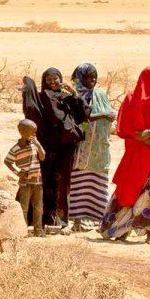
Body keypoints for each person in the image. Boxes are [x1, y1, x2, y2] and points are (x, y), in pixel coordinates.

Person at [102, 66, 150, 244]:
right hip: (137, 154)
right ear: (146, 80)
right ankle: (121, 229)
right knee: (130, 189)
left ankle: (149, 230)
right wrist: (142, 138)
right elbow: (123, 127)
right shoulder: (131, 99)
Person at [22, 68, 88, 230]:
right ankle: (38, 219)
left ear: (61, 78)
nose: (53, 82)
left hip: (65, 148)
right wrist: (26, 91)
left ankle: (59, 219)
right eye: (49, 79)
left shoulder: (67, 98)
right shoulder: (42, 97)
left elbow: (82, 115)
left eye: (56, 79)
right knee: (44, 180)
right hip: (47, 147)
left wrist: (74, 94)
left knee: (62, 182)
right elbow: (31, 110)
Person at [67, 63, 115, 231]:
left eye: (94, 77)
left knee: (98, 183)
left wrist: (109, 117)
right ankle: (77, 220)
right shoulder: (74, 96)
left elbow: (110, 115)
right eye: (88, 77)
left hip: (98, 149)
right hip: (80, 147)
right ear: (81, 78)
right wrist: (102, 115)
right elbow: (77, 119)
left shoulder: (101, 94)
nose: (92, 80)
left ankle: (98, 219)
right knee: (78, 182)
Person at [5, 119, 47, 236]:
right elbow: (7, 161)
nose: (34, 135)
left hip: (37, 180)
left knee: (38, 207)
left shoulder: (35, 145)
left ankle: (38, 230)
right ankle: (23, 231)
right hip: (25, 182)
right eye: (32, 132)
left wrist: (38, 145)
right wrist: (17, 172)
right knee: (24, 207)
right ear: (23, 132)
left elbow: (42, 157)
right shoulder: (15, 148)